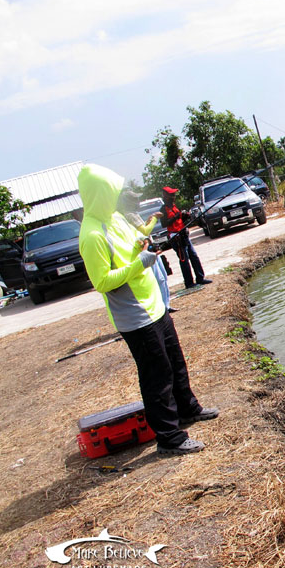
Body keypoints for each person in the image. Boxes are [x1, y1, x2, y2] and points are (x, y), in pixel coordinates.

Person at [77, 164, 218, 456]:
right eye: (111, 192)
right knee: (157, 375)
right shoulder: (92, 235)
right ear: (98, 194)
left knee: (176, 361)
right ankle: (169, 437)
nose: (116, 198)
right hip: (136, 316)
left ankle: (188, 408)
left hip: (155, 306)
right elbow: (102, 282)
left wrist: (142, 244)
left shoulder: (115, 218)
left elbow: (132, 244)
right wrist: (138, 263)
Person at [159, 186, 211, 289]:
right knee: (184, 260)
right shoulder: (163, 209)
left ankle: (200, 278)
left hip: (184, 234)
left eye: (174, 195)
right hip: (176, 238)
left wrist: (184, 216)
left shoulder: (174, 206)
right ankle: (189, 283)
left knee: (194, 256)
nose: (174, 197)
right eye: (171, 195)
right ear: (166, 196)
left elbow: (179, 220)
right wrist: (176, 216)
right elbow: (164, 224)